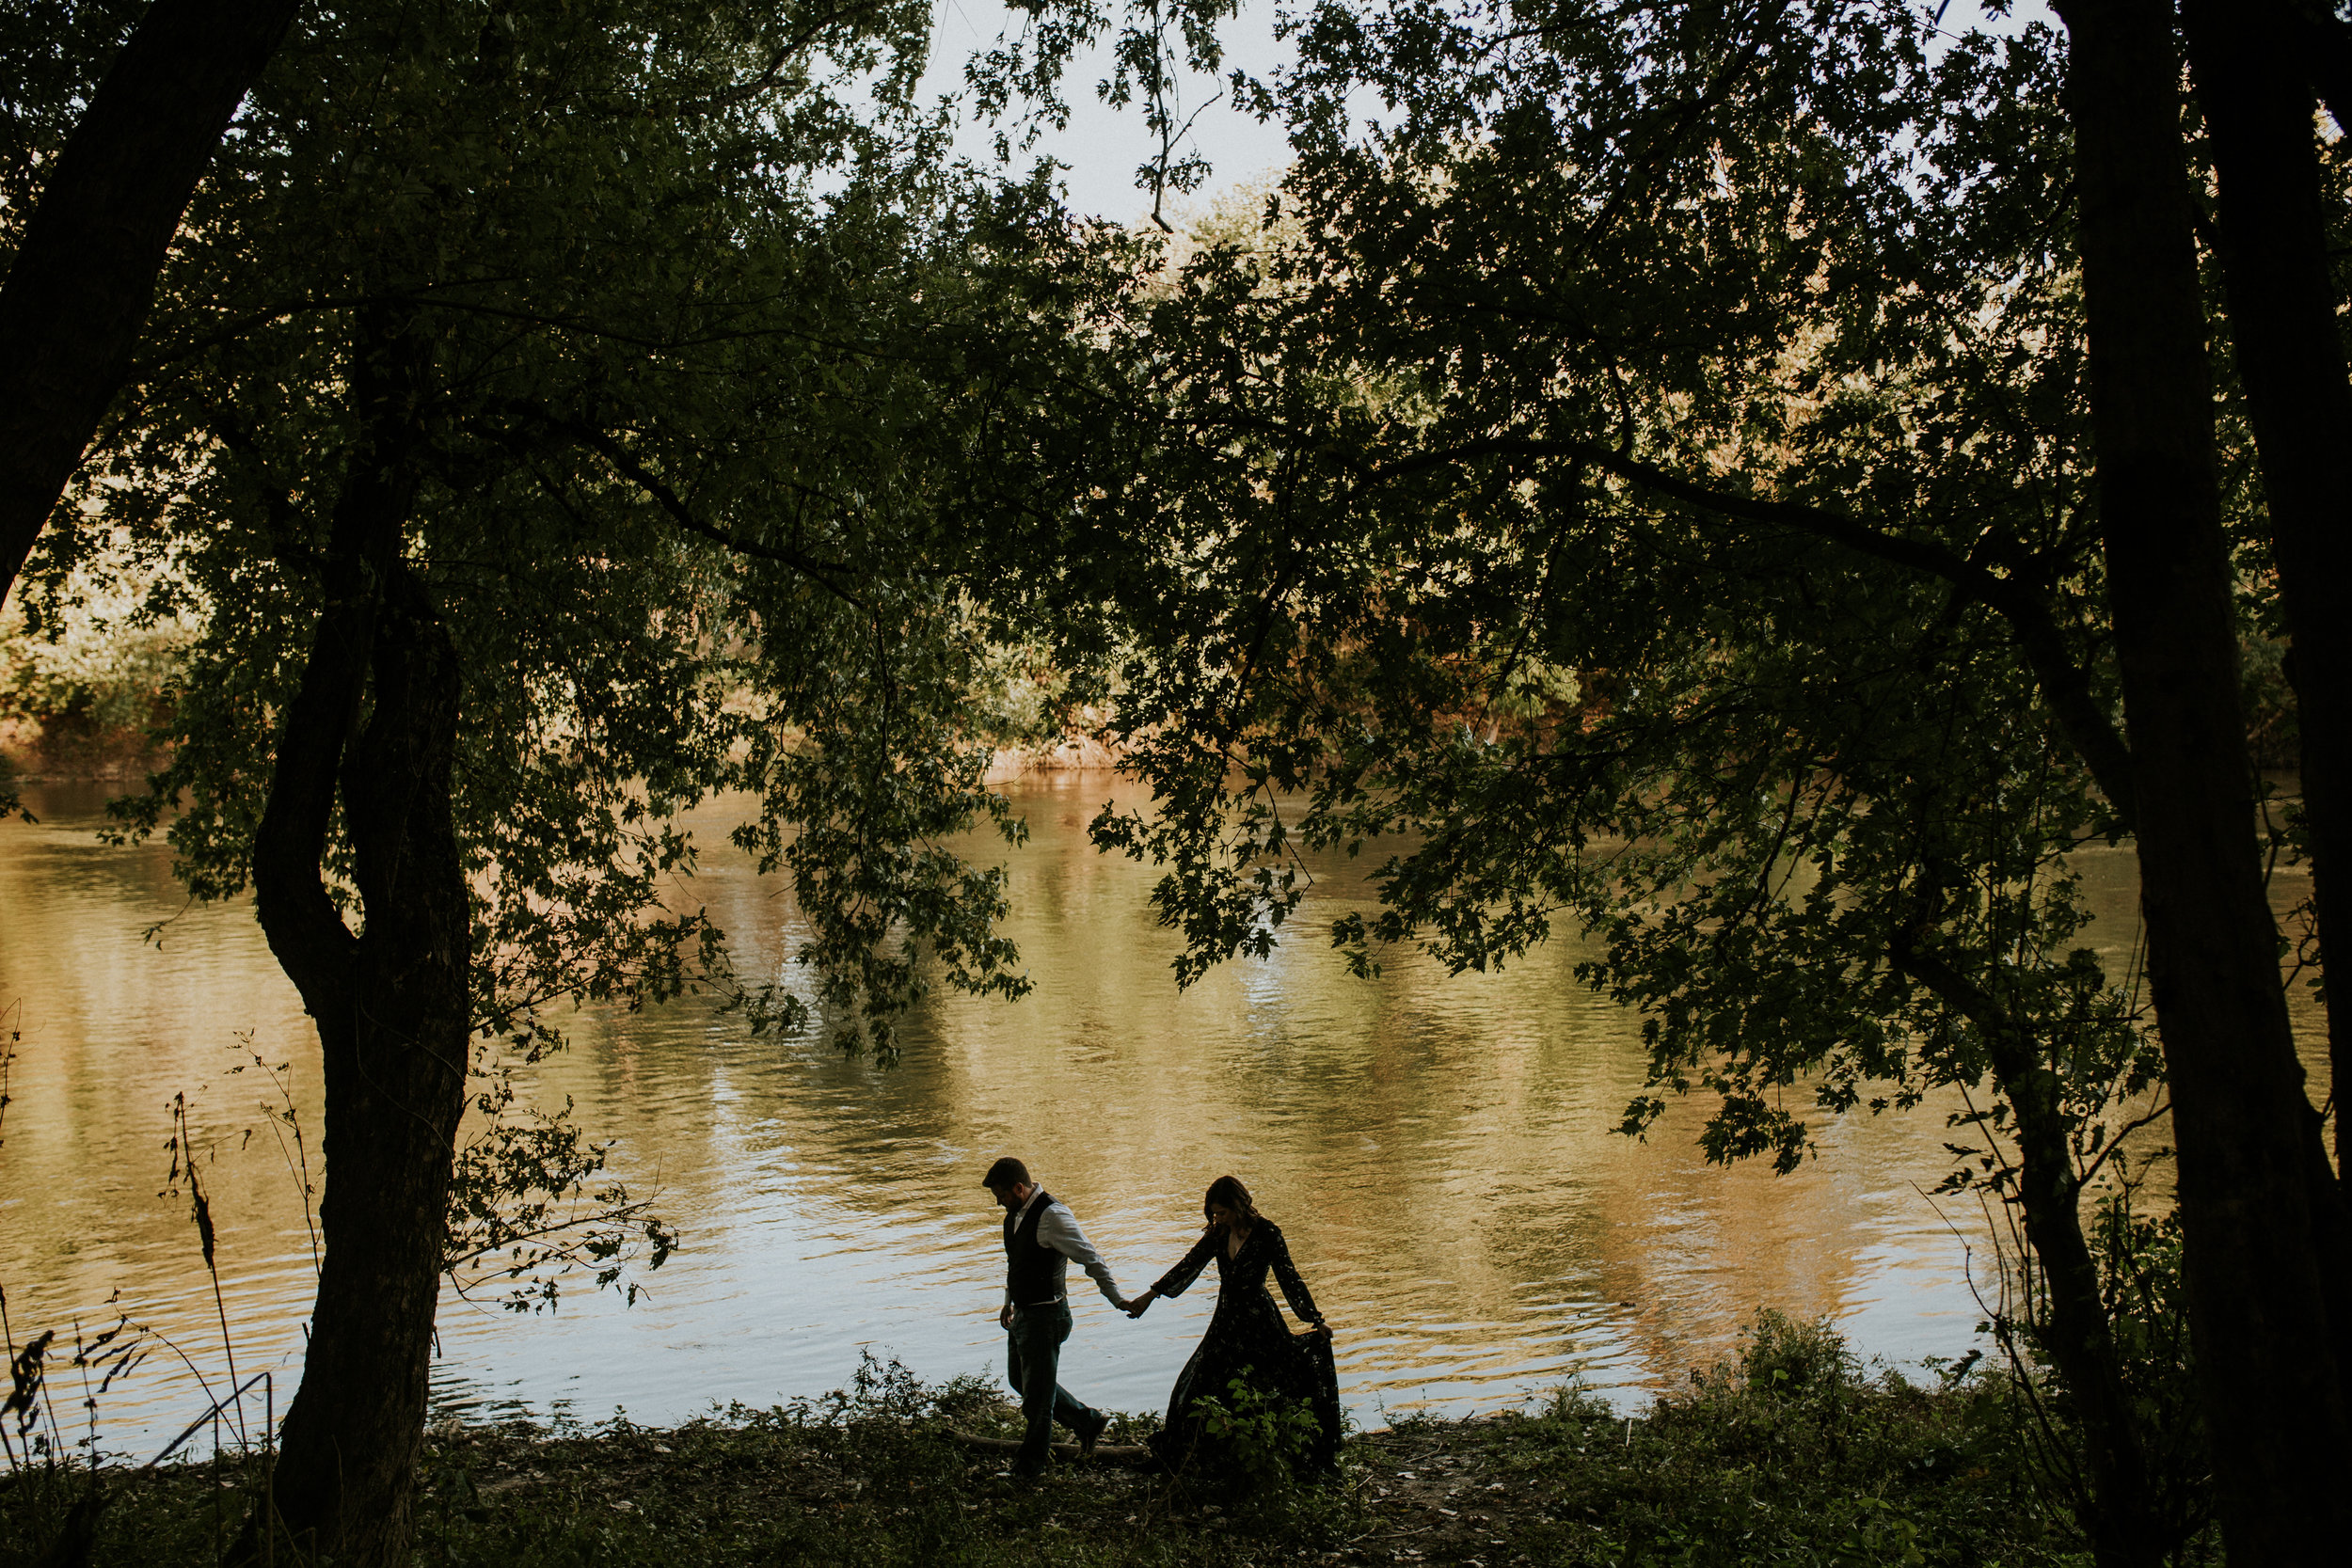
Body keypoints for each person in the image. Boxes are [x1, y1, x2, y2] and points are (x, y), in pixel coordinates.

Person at [1125, 1174, 1342, 1472]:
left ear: (1239, 1206)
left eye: (1222, 1212)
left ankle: (1279, 1454)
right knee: (1195, 1385)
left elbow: (1289, 1278)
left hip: (1258, 1320)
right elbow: (1190, 1264)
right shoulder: (1217, 1234)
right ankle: (1196, 1455)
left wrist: (1315, 1319)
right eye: (1213, 1214)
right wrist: (1151, 1295)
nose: (1217, 1218)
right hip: (1226, 1321)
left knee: (1271, 1382)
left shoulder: (1268, 1233)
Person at [980, 1156, 1129, 1477]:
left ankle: (1029, 1469)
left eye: (1001, 1194)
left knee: (1038, 1402)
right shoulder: (1013, 1216)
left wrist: (1117, 1299)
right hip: (1023, 1314)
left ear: (1019, 1188)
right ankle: (1087, 1421)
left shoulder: (1053, 1216)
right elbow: (1016, 1264)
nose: (997, 1201)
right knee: (1020, 1381)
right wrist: (1008, 1301)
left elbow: (1092, 1258)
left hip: (1046, 1317)